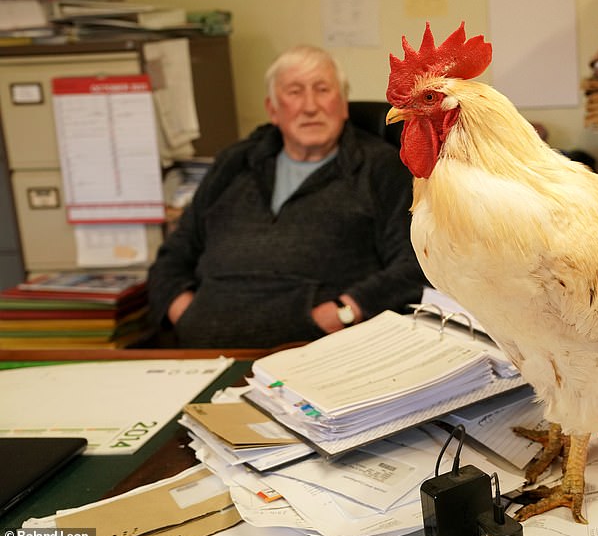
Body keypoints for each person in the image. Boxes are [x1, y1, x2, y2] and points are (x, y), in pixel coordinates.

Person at [147, 45, 427, 348]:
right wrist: (187, 314)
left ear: (343, 104)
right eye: (294, 92)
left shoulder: (380, 167)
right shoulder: (235, 163)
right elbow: (172, 259)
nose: (310, 106)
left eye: (322, 90)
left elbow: (414, 265)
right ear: (273, 110)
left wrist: (344, 312)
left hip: (318, 353)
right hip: (202, 352)